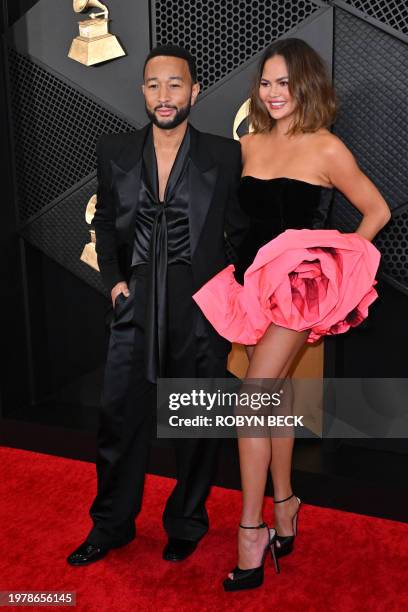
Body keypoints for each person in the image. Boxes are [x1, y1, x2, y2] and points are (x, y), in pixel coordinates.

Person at [192, 38, 391, 591]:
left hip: (298, 294)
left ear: (306, 85)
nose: (274, 93)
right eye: (266, 82)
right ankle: (285, 505)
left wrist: (335, 270)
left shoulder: (327, 148)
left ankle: (251, 530)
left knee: (252, 401)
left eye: (284, 83)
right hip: (251, 286)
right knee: (273, 402)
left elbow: (376, 210)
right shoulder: (248, 144)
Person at [67, 44, 248, 566]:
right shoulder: (114, 149)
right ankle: (112, 525)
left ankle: (186, 522)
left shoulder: (226, 154)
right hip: (136, 301)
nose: (163, 95)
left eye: (174, 84)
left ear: (194, 91)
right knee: (119, 421)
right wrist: (115, 282)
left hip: (199, 305)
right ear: (143, 92)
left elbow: (240, 231)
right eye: (153, 85)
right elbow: (103, 222)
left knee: (196, 423)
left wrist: (235, 295)